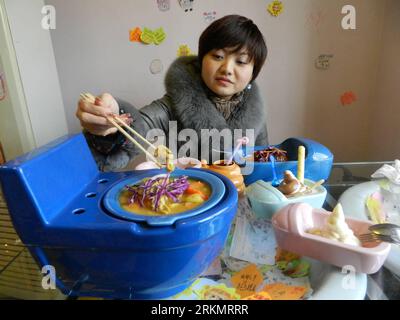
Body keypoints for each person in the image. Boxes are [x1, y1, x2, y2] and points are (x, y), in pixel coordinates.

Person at [76, 15, 268, 171]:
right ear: (202, 60)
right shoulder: (173, 105)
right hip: (183, 204)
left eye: (241, 62)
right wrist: (113, 120)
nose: (227, 68)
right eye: (218, 56)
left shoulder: (255, 113)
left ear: (253, 72)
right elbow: (139, 127)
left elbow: (261, 162)